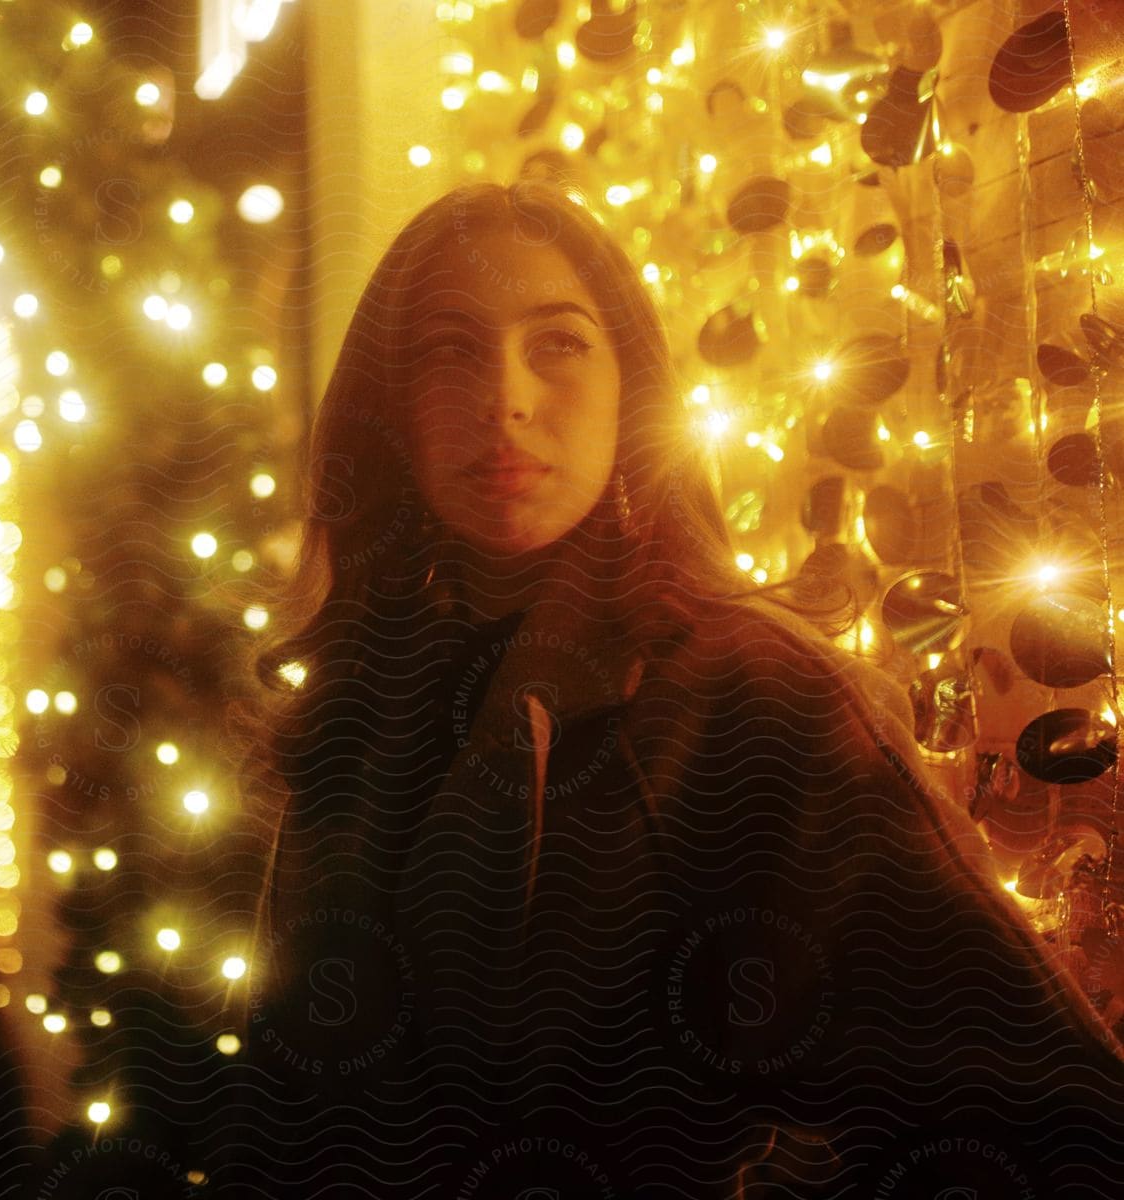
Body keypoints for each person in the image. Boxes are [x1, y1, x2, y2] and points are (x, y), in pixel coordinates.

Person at [202, 180, 1124, 1198]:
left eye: (557, 342)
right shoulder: (362, 701)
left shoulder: (748, 694)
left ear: (631, 387)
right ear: (389, 406)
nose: (504, 396)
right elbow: (282, 1112)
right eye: (448, 349)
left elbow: (1045, 1114)